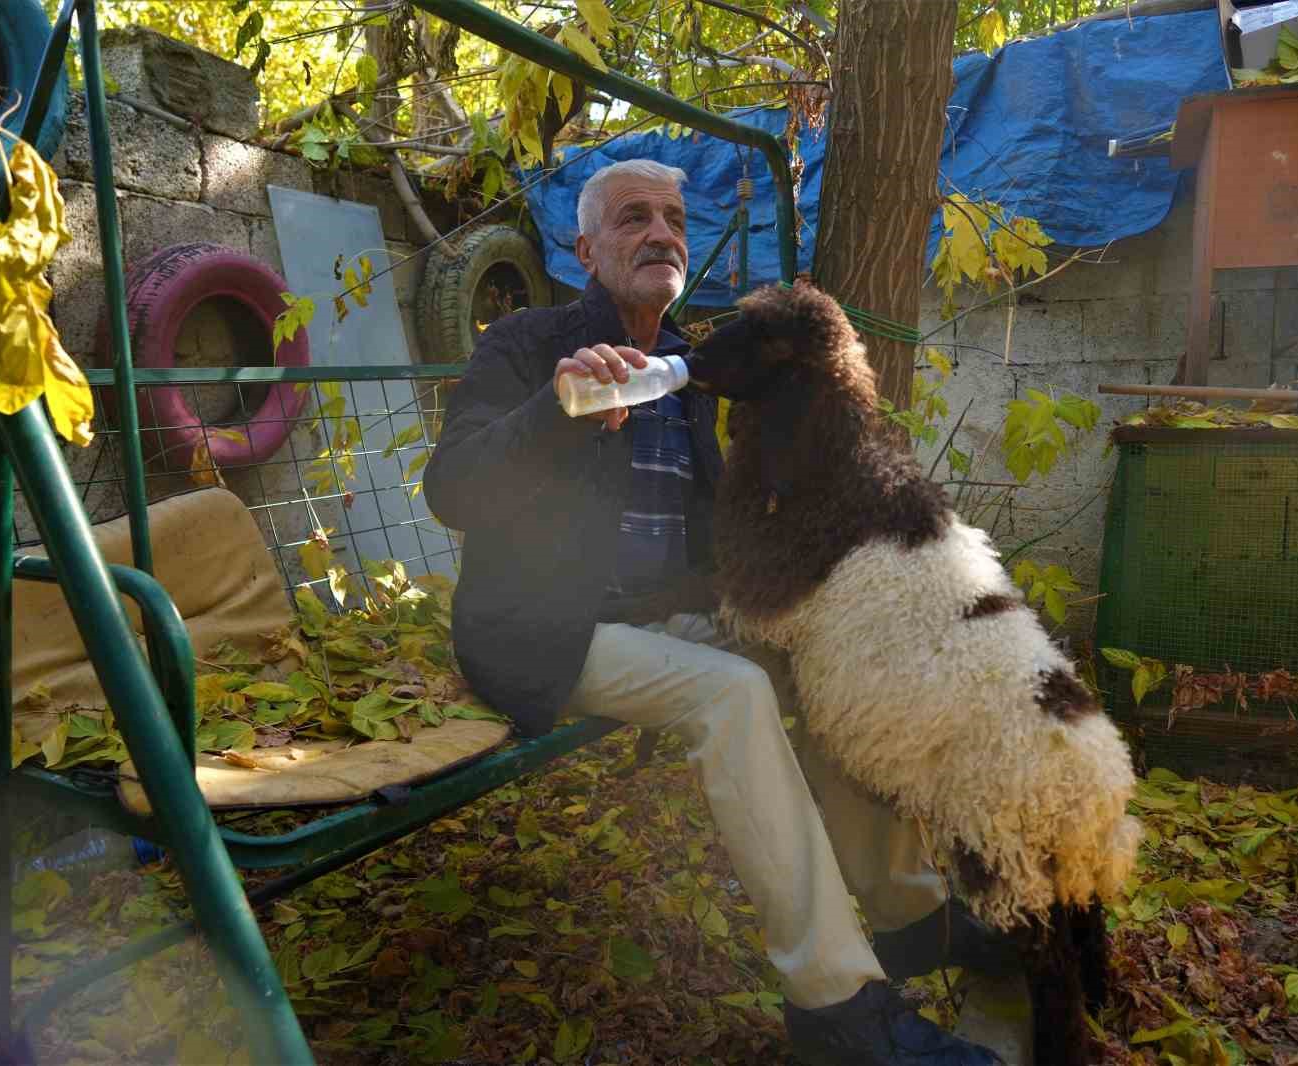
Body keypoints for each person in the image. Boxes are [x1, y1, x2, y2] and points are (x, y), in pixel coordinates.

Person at [423, 159, 1010, 1066]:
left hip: (670, 619)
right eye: (631, 218)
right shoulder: (529, 345)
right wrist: (559, 408)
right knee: (732, 693)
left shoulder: (692, 367)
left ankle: (913, 918)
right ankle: (837, 1007)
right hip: (542, 629)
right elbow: (451, 491)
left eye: (672, 218)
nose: (660, 233)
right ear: (582, 248)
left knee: (831, 672)